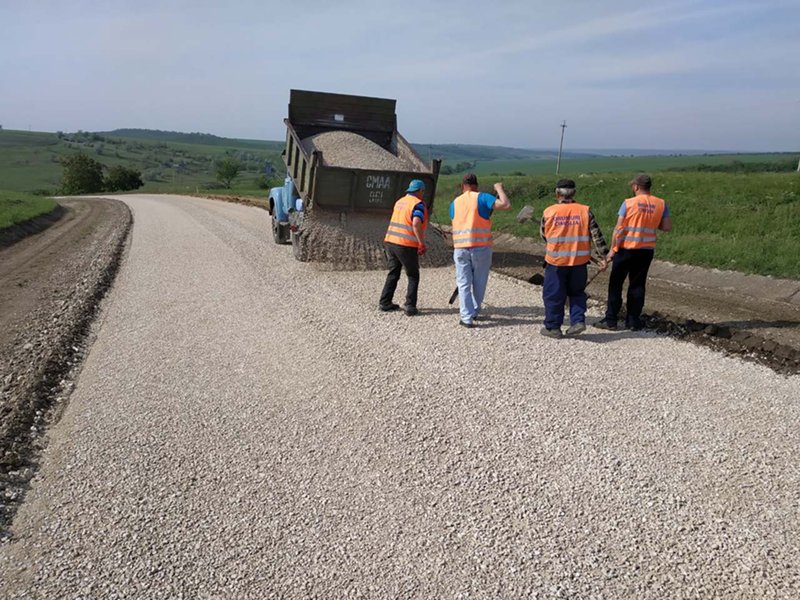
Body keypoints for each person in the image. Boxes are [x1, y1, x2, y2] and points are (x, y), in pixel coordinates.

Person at [595, 173, 672, 331]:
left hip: (625, 249)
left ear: (636, 187)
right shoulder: (661, 204)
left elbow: (618, 229)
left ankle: (611, 320)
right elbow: (666, 227)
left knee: (616, 284)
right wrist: (651, 222)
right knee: (637, 285)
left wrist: (612, 251)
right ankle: (633, 321)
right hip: (645, 251)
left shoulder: (628, 203)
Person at [540, 179, 609, 338]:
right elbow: (597, 236)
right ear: (574, 193)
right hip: (579, 262)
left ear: (557, 194)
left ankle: (553, 327)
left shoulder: (549, 212)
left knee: (554, 294)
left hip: (556, 262)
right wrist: (603, 257)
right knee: (577, 292)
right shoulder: (585, 211)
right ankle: (577, 321)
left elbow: (544, 236)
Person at [450, 173, 512, 328]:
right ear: (476, 186)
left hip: (460, 249)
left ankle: (466, 317)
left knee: (463, 283)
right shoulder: (483, 197)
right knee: (479, 282)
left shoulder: (455, 203)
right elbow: (505, 204)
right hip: (481, 248)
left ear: (463, 186)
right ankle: (475, 311)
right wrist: (499, 188)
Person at [379, 179, 428, 316]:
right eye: (423, 191)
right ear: (420, 191)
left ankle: (385, 302)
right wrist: (421, 243)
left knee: (393, 273)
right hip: (406, 244)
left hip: (391, 241)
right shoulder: (417, 204)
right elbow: (416, 222)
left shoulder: (400, 201)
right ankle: (410, 306)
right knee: (413, 275)